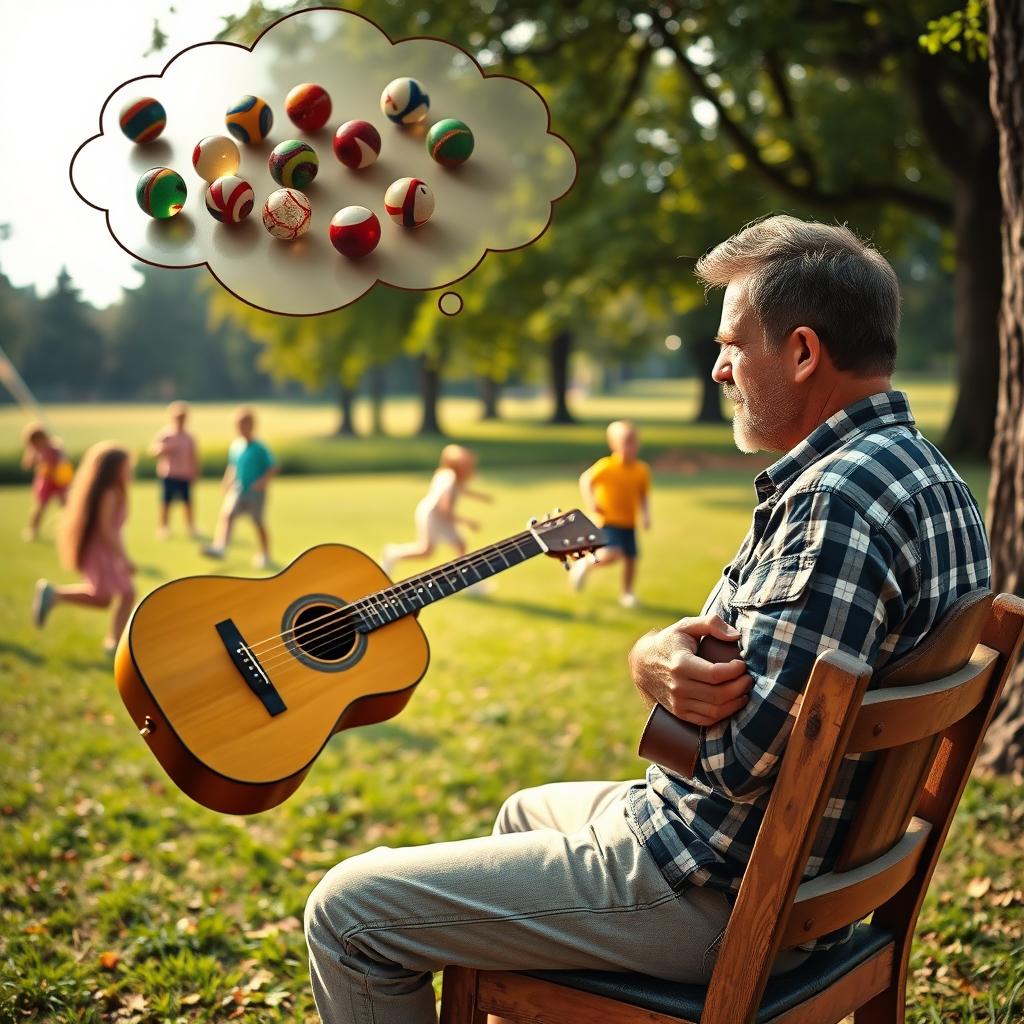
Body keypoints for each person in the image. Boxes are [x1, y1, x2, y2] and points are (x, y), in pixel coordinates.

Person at [303, 215, 991, 1024]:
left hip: (718, 891)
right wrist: (655, 653)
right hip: (813, 872)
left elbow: (738, 761)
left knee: (347, 911)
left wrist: (650, 671)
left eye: (733, 343)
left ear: (803, 352)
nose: (719, 367)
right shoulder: (934, 478)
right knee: (523, 812)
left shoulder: (832, 502)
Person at [32, 442, 136, 656]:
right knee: (112, 596)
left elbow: (114, 531)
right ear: (114, 469)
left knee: (120, 594)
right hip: (101, 552)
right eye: (127, 467)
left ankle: (114, 642)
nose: (130, 471)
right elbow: (107, 530)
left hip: (104, 551)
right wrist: (123, 558)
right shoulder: (109, 494)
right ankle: (114, 642)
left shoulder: (113, 491)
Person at [569, 419, 651, 607]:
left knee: (631, 558)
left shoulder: (641, 470)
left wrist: (646, 515)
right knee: (613, 553)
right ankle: (586, 564)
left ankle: (627, 593)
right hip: (607, 520)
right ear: (614, 445)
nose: (630, 447)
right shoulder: (606, 466)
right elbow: (586, 480)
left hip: (629, 522)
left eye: (633, 442)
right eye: (626, 443)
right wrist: (592, 502)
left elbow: (643, 495)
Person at [380, 445, 492, 577]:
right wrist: (468, 522)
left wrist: (480, 497)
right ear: (458, 466)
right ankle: (392, 554)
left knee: (460, 546)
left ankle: (468, 578)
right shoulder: (449, 480)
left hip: (438, 515)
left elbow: (461, 490)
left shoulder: (448, 475)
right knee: (426, 551)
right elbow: (445, 509)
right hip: (433, 515)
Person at [201, 406, 277, 568]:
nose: (241, 428)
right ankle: (220, 547)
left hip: (256, 492)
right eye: (239, 425)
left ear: (252, 425)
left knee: (257, 522)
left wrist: (263, 481)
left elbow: (272, 466)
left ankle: (265, 553)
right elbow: (233, 466)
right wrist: (226, 481)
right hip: (238, 489)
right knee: (227, 515)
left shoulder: (259, 448)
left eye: (245, 424)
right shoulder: (236, 446)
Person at [148, 400, 199, 539]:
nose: (181, 420)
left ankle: (191, 527)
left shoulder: (189, 437)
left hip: (185, 474)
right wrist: (164, 449)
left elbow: (194, 456)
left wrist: (195, 472)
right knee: (166, 502)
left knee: (188, 502)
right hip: (169, 474)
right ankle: (163, 527)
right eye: (178, 417)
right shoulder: (166, 435)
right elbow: (153, 451)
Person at [21, 423, 73, 541]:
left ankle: (70, 529)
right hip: (45, 481)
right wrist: (35, 458)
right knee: (40, 506)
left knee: (66, 505)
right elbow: (27, 465)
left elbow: (64, 459)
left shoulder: (54, 447)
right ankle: (32, 530)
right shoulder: (35, 450)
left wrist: (60, 450)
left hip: (59, 480)